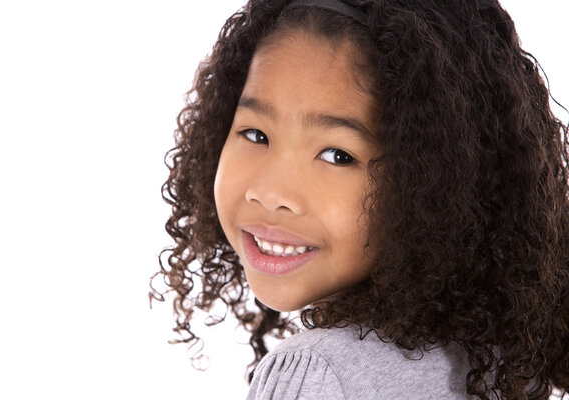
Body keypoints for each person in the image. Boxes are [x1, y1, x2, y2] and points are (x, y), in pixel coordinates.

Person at [150, 0, 569, 398]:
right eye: (256, 135)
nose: (271, 192)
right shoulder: (500, 357)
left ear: (437, 184)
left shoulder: (318, 373)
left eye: (338, 155)